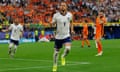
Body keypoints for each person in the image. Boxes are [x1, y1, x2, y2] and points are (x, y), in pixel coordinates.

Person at [51, 2, 74, 72]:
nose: (62, 7)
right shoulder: (56, 15)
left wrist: (72, 30)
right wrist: (52, 24)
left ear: (66, 7)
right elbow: (53, 24)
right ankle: (55, 65)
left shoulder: (70, 15)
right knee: (56, 53)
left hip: (66, 35)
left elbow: (72, 22)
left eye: (64, 5)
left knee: (68, 49)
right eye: (61, 5)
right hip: (58, 37)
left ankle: (63, 56)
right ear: (60, 7)